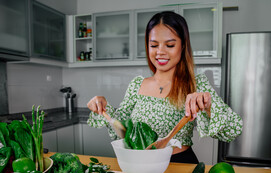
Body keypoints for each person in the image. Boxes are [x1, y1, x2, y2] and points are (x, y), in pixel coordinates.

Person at [87, 11, 243, 164]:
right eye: (153, 45)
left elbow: (232, 130)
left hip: (179, 165)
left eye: (170, 45)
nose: (160, 52)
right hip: (141, 165)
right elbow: (121, 129)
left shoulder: (195, 84)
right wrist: (102, 108)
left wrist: (208, 106)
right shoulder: (137, 85)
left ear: (182, 46)